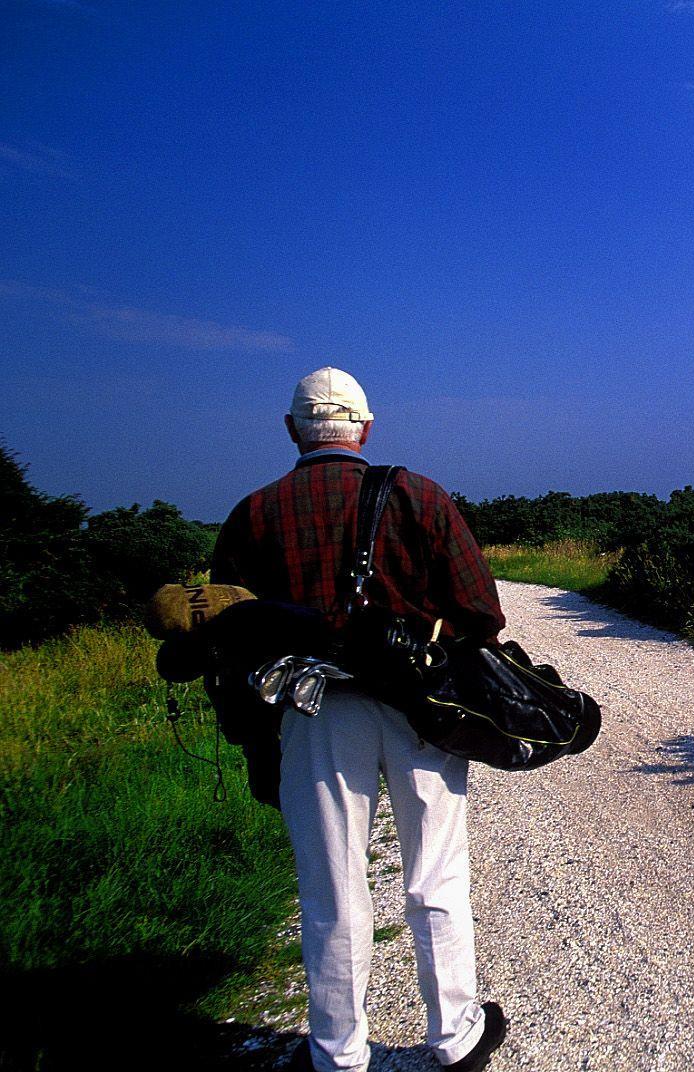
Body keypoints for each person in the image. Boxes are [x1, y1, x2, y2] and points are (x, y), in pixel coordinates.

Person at [212, 367, 508, 1072]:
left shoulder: (254, 513)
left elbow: (228, 636)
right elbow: (482, 614)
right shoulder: (419, 496)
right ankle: (456, 1036)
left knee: (332, 885)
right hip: (418, 707)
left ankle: (338, 1052)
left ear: (292, 430)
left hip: (311, 710)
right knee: (435, 875)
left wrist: (256, 738)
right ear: (366, 429)